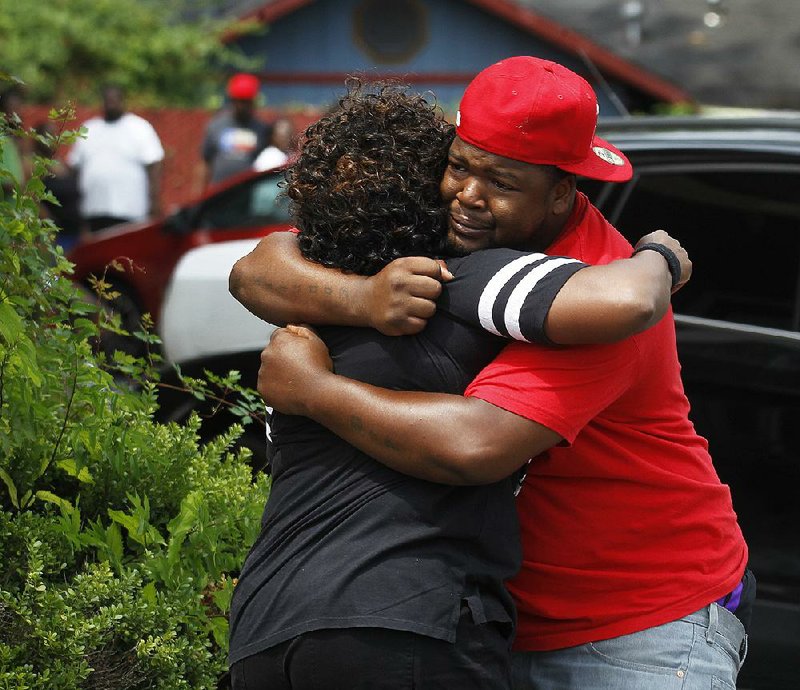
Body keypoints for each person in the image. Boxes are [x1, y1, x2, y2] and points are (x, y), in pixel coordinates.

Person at [234, 57, 751, 690]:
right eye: (459, 166)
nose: (468, 196)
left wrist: (314, 391)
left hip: (635, 624)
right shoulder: (452, 228)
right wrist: (362, 297)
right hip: (488, 622)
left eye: (501, 181)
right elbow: (262, 266)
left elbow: (476, 444)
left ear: (562, 189)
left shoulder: (586, 286)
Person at [67, 84, 164, 233]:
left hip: (130, 209)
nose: (111, 103)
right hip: (94, 209)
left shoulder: (139, 127)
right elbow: (74, 167)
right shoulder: (89, 129)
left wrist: (154, 201)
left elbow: (154, 164)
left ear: (122, 101)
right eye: (107, 100)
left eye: (114, 100)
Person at [200, 73, 271, 188]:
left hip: (247, 194)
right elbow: (205, 162)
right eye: (241, 100)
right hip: (218, 193)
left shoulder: (262, 129)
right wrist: (200, 197)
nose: (244, 106)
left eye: (247, 101)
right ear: (233, 100)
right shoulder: (216, 125)